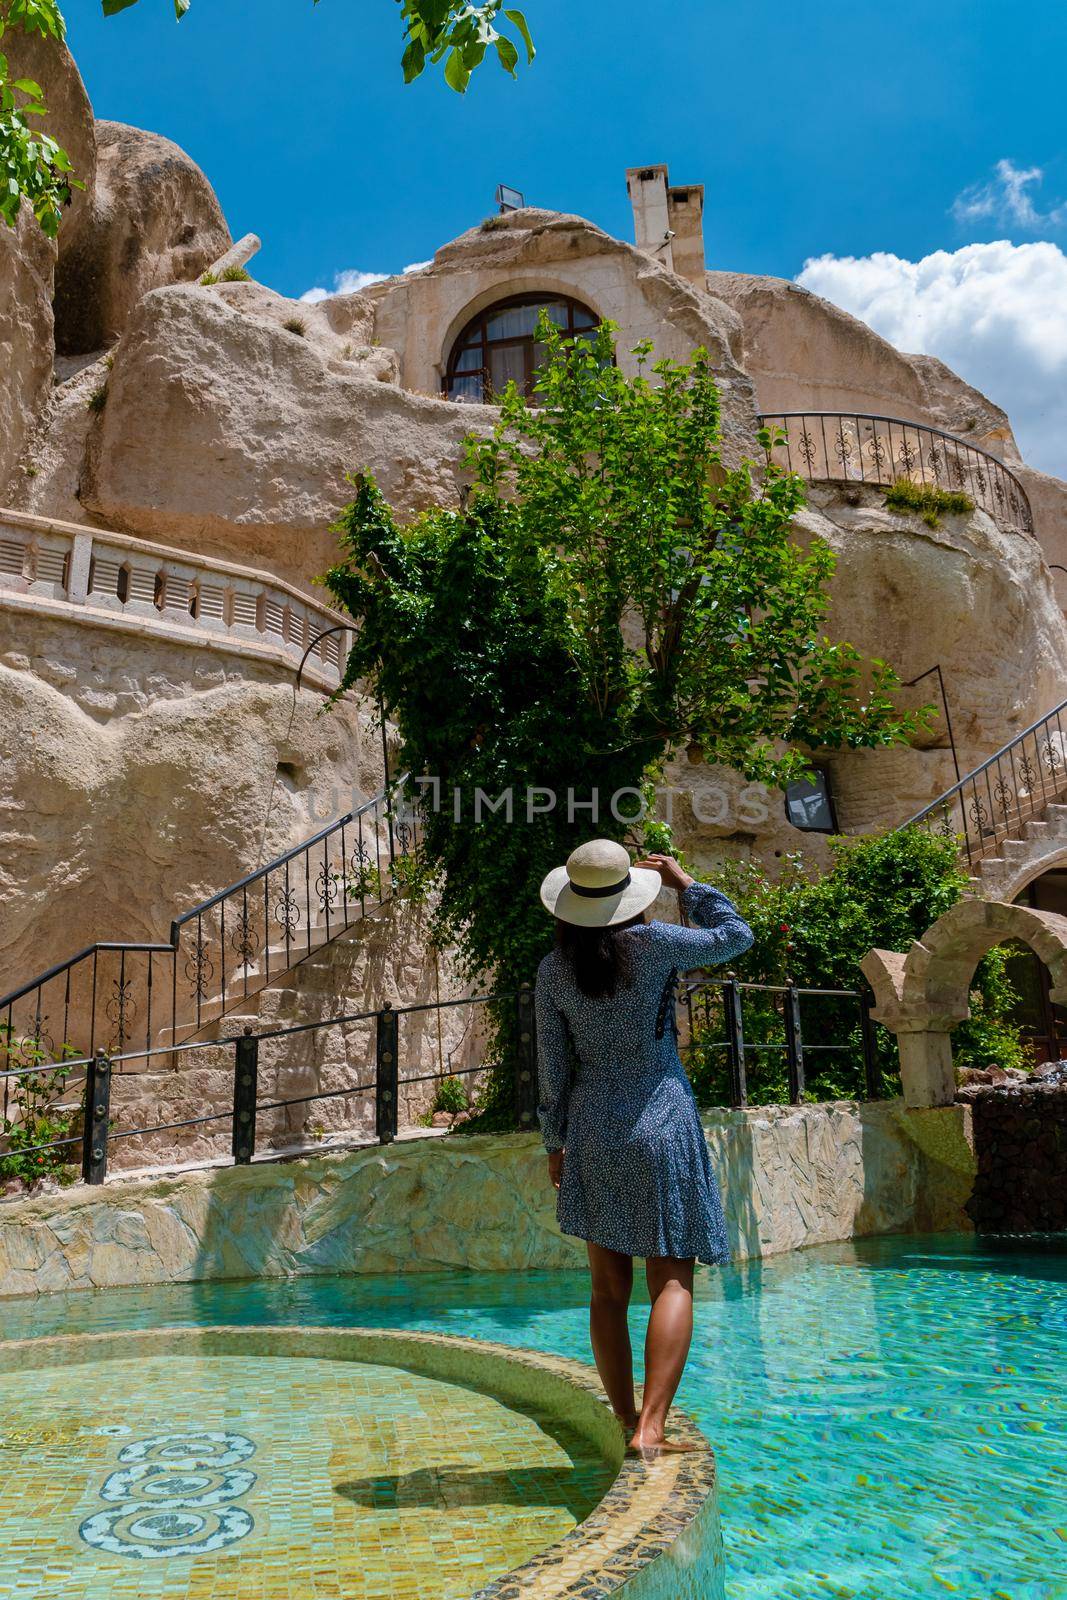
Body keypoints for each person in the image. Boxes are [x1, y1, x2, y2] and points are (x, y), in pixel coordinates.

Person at [535, 838, 753, 1457]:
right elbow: (736, 936)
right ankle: (651, 1429)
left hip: (593, 1129)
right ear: (630, 895)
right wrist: (688, 883)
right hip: (661, 1120)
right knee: (672, 1282)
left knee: (606, 1289)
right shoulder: (657, 946)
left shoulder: (553, 970)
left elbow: (553, 1068)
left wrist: (557, 1144)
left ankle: (623, 1414)